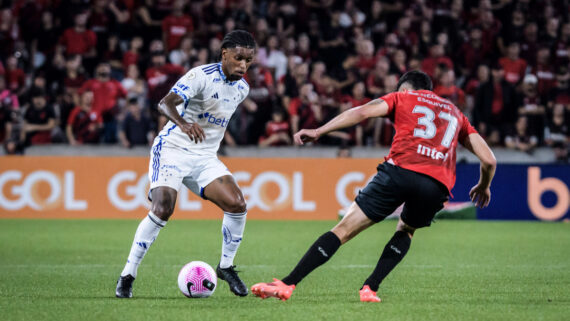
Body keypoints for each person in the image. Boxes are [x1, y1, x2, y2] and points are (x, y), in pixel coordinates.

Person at [251, 70, 496, 302]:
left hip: (400, 170)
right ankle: (370, 288)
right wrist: (484, 186)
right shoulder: (455, 113)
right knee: (406, 229)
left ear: (406, 88)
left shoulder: (403, 97)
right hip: (436, 185)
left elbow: (362, 112)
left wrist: (319, 130)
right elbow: (489, 160)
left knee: (344, 229)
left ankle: (287, 284)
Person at [116, 30, 256, 299]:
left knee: (238, 205)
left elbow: (216, 121)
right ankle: (128, 275)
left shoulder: (242, 89)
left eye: (248, 61)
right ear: (224, 54)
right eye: (238, 58)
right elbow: (164, 103)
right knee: (163, 208)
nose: (243, 65)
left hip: (204, 157)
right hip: (173, 149)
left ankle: (226, 267)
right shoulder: (200, 76)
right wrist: (183, 123)